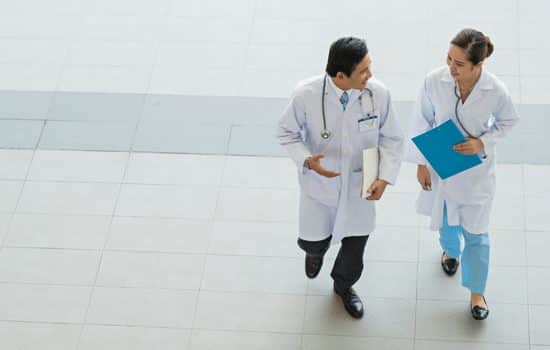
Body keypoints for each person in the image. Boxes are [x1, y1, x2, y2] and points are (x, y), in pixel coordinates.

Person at [277, 37, 404, 319]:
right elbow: (286, 132)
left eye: (369, 67)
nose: (370, 75)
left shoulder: (378, 94)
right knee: (313, 240)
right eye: (364, 71)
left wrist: (384, 177)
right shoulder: (306, 95)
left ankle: (344, 287)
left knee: (356, 244)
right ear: (340, 76)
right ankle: (315, 252)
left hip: (362, 183)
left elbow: (393, 138)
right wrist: (307, 160)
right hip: (321, 183)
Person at [407, 28, 519, 320]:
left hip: (477, 173)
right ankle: (449, 253)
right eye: (449, 59)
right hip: (442, 164)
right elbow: (421, 119)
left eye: (459, 64)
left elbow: (508, 122)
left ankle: (476, 292)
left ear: (478, 65)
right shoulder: (434, 81)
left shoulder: (496, 91)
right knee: (446, 219)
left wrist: (482, 142)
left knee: (477, 234)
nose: (451, 68)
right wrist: (420, 163)